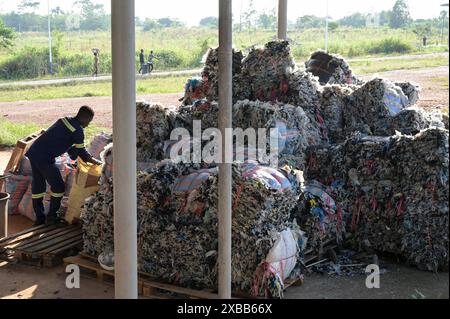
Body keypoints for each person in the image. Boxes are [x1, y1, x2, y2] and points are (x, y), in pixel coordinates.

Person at [25, 106, 102, 226]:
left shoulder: (64, 121)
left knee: (38, 186)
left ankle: (40, 218)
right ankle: (51, 218)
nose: (87, 125)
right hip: (45, 158)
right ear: (85, 118)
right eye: (88, 122)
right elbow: (82, 152)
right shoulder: (78, 130)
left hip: (34, 153)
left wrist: (74, 155)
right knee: (59, 187)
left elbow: (63, 141)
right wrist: (96, 162)